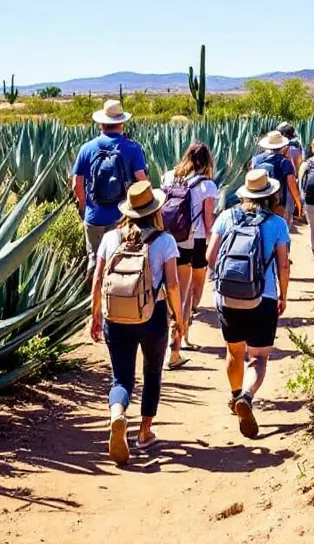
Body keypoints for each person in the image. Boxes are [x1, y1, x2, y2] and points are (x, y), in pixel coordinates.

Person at [90, 181, 186, 465]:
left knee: (121, 377)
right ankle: (144, 433)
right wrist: (179, 320)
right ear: (154, 210)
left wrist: (95, 314)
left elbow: (97, 279)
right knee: (153, 372)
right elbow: (173, 284)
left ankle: (117, 415)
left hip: (116, 316)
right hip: (152, 316)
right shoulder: (164, 241)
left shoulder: (110, 238)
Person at [207, 169, 291, 438]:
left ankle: (234, 396)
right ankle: (246, 395)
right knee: (258, 358)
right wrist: (283, 295)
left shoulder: (226, 216)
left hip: (228, 297)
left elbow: (210, 256)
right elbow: (283, 266)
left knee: (234, 352)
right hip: (262, 298)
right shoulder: (277, 224)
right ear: (269, 195)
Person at [72, 100, 149, 285]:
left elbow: (76, 184)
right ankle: (118, 304)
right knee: (120, 262)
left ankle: (95, 301)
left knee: (95, 262)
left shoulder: (87, 148)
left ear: (101, 123)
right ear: (121, 123)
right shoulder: (132, 148)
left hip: (94, 217)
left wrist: (84, 206)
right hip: (122, 218)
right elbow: (142, 181)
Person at [160, 141, 218, 368]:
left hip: (167, 239)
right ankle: (176, 345)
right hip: (194, 240)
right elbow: (208, 219)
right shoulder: (207, 186)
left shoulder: (168, 177)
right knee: (185, 292)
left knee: (170, 289)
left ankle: (179, 337)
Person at [249, 130, 303, 223]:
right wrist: (298, 202)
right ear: (282, 146)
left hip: (258, 199)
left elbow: (251, 178)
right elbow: (292, 183)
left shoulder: (256, 160)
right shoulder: (284, 162)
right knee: (277, 225)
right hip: (277, 201)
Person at [278, 123, 306, 222]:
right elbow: (298, 172)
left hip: (275, 186)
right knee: (287, 215)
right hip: (289, 187)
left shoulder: (272, 151)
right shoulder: (296, 151)